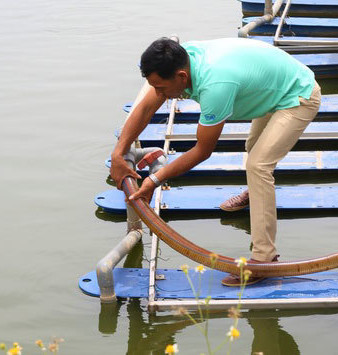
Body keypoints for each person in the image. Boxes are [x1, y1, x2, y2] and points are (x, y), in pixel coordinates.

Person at [110, 37, 321, 286]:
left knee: (258, 164)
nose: (158, 95)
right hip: (273, 85)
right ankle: (256, 193)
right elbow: (145, 109)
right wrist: (118, 154)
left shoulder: (215, 85)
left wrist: (155, 180)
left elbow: (202, 150)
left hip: (298, 95)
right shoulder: (182, 58)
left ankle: (265, 260)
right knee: (254, 148)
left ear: (181, 76)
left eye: (161, 88)